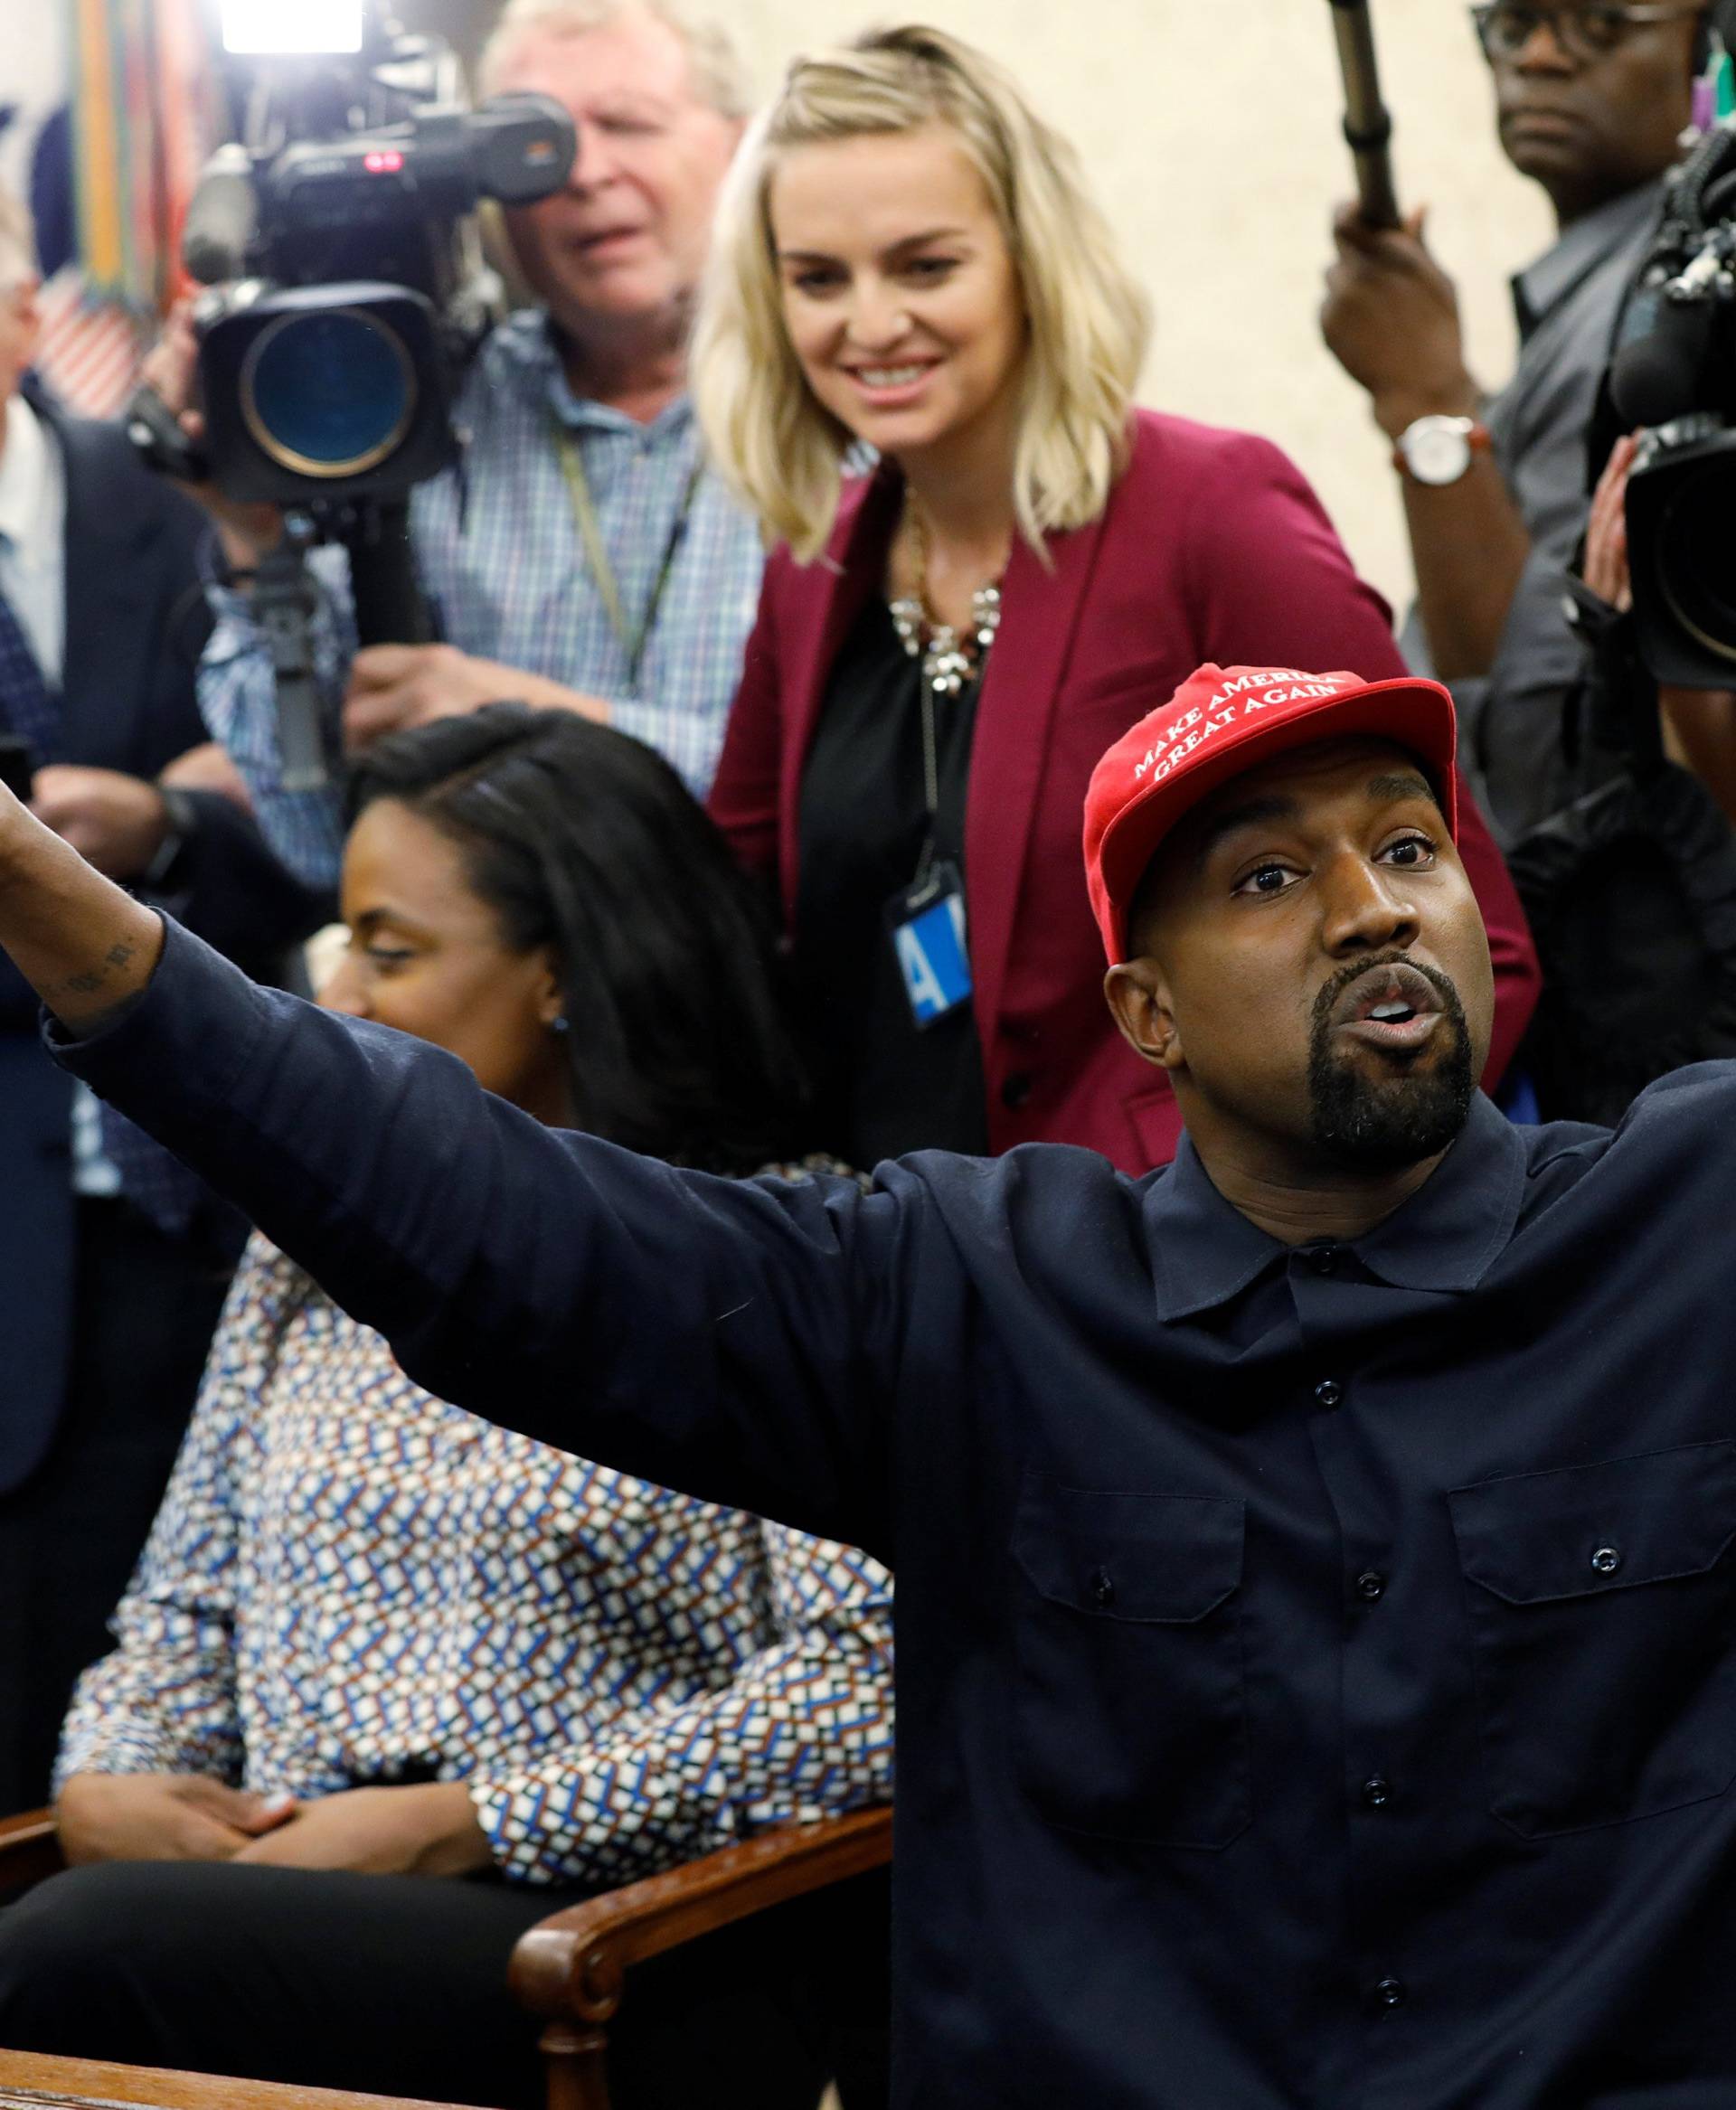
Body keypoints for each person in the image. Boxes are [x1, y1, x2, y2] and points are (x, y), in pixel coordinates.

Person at [19, 648, 1736, 2104]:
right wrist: (39, 890)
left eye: (1411, 846)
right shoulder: (970, 1293)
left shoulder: (1685, 1227)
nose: (1372, 905)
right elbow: (487, 1222)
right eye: (1269, 877)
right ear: (1145, 1013)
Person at [0, 706, 893, 2110]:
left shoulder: (786, 1242)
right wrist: (119, 1773)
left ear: (563, 971)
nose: (337, 990)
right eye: (343, 939)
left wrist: (466, 1823)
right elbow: (186, 1606)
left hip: (614, 1936)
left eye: (391, 947)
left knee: (61, 1954)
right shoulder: (304, 1250)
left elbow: (869, 1688)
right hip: (257, 1898)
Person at [695, 24, 1539, 1174]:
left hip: (1163, 1291)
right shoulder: (817, 564)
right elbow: (720, 924)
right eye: (818, 279)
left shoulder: (1211, 511)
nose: (872, 322)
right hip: (888, 1268)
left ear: (1029, 264)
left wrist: (1246, 1257)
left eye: (926, 266)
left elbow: (1476, 946)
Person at [152, 0, 765, 890]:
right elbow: (323, 843)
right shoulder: (429, 418)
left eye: (629, 124)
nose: (586, 173)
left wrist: (525, 729)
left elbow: (829, 808)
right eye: (536, 143)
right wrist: (257, 548)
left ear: (741, 145)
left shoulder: (843, 403)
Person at [0, 183, 326, 1812]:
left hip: (203, 1215)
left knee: (166, 1759)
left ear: (20, 304)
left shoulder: (189, 498)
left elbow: (340, 842)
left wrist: (176, 818)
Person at [1320, 0, 1720, 843]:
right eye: (1512, 20)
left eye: (1597, 22)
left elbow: (1549, 738)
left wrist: (1423, 402)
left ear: (1711, 42)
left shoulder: (1682, 313)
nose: (1538, 55)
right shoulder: (1607, 297)